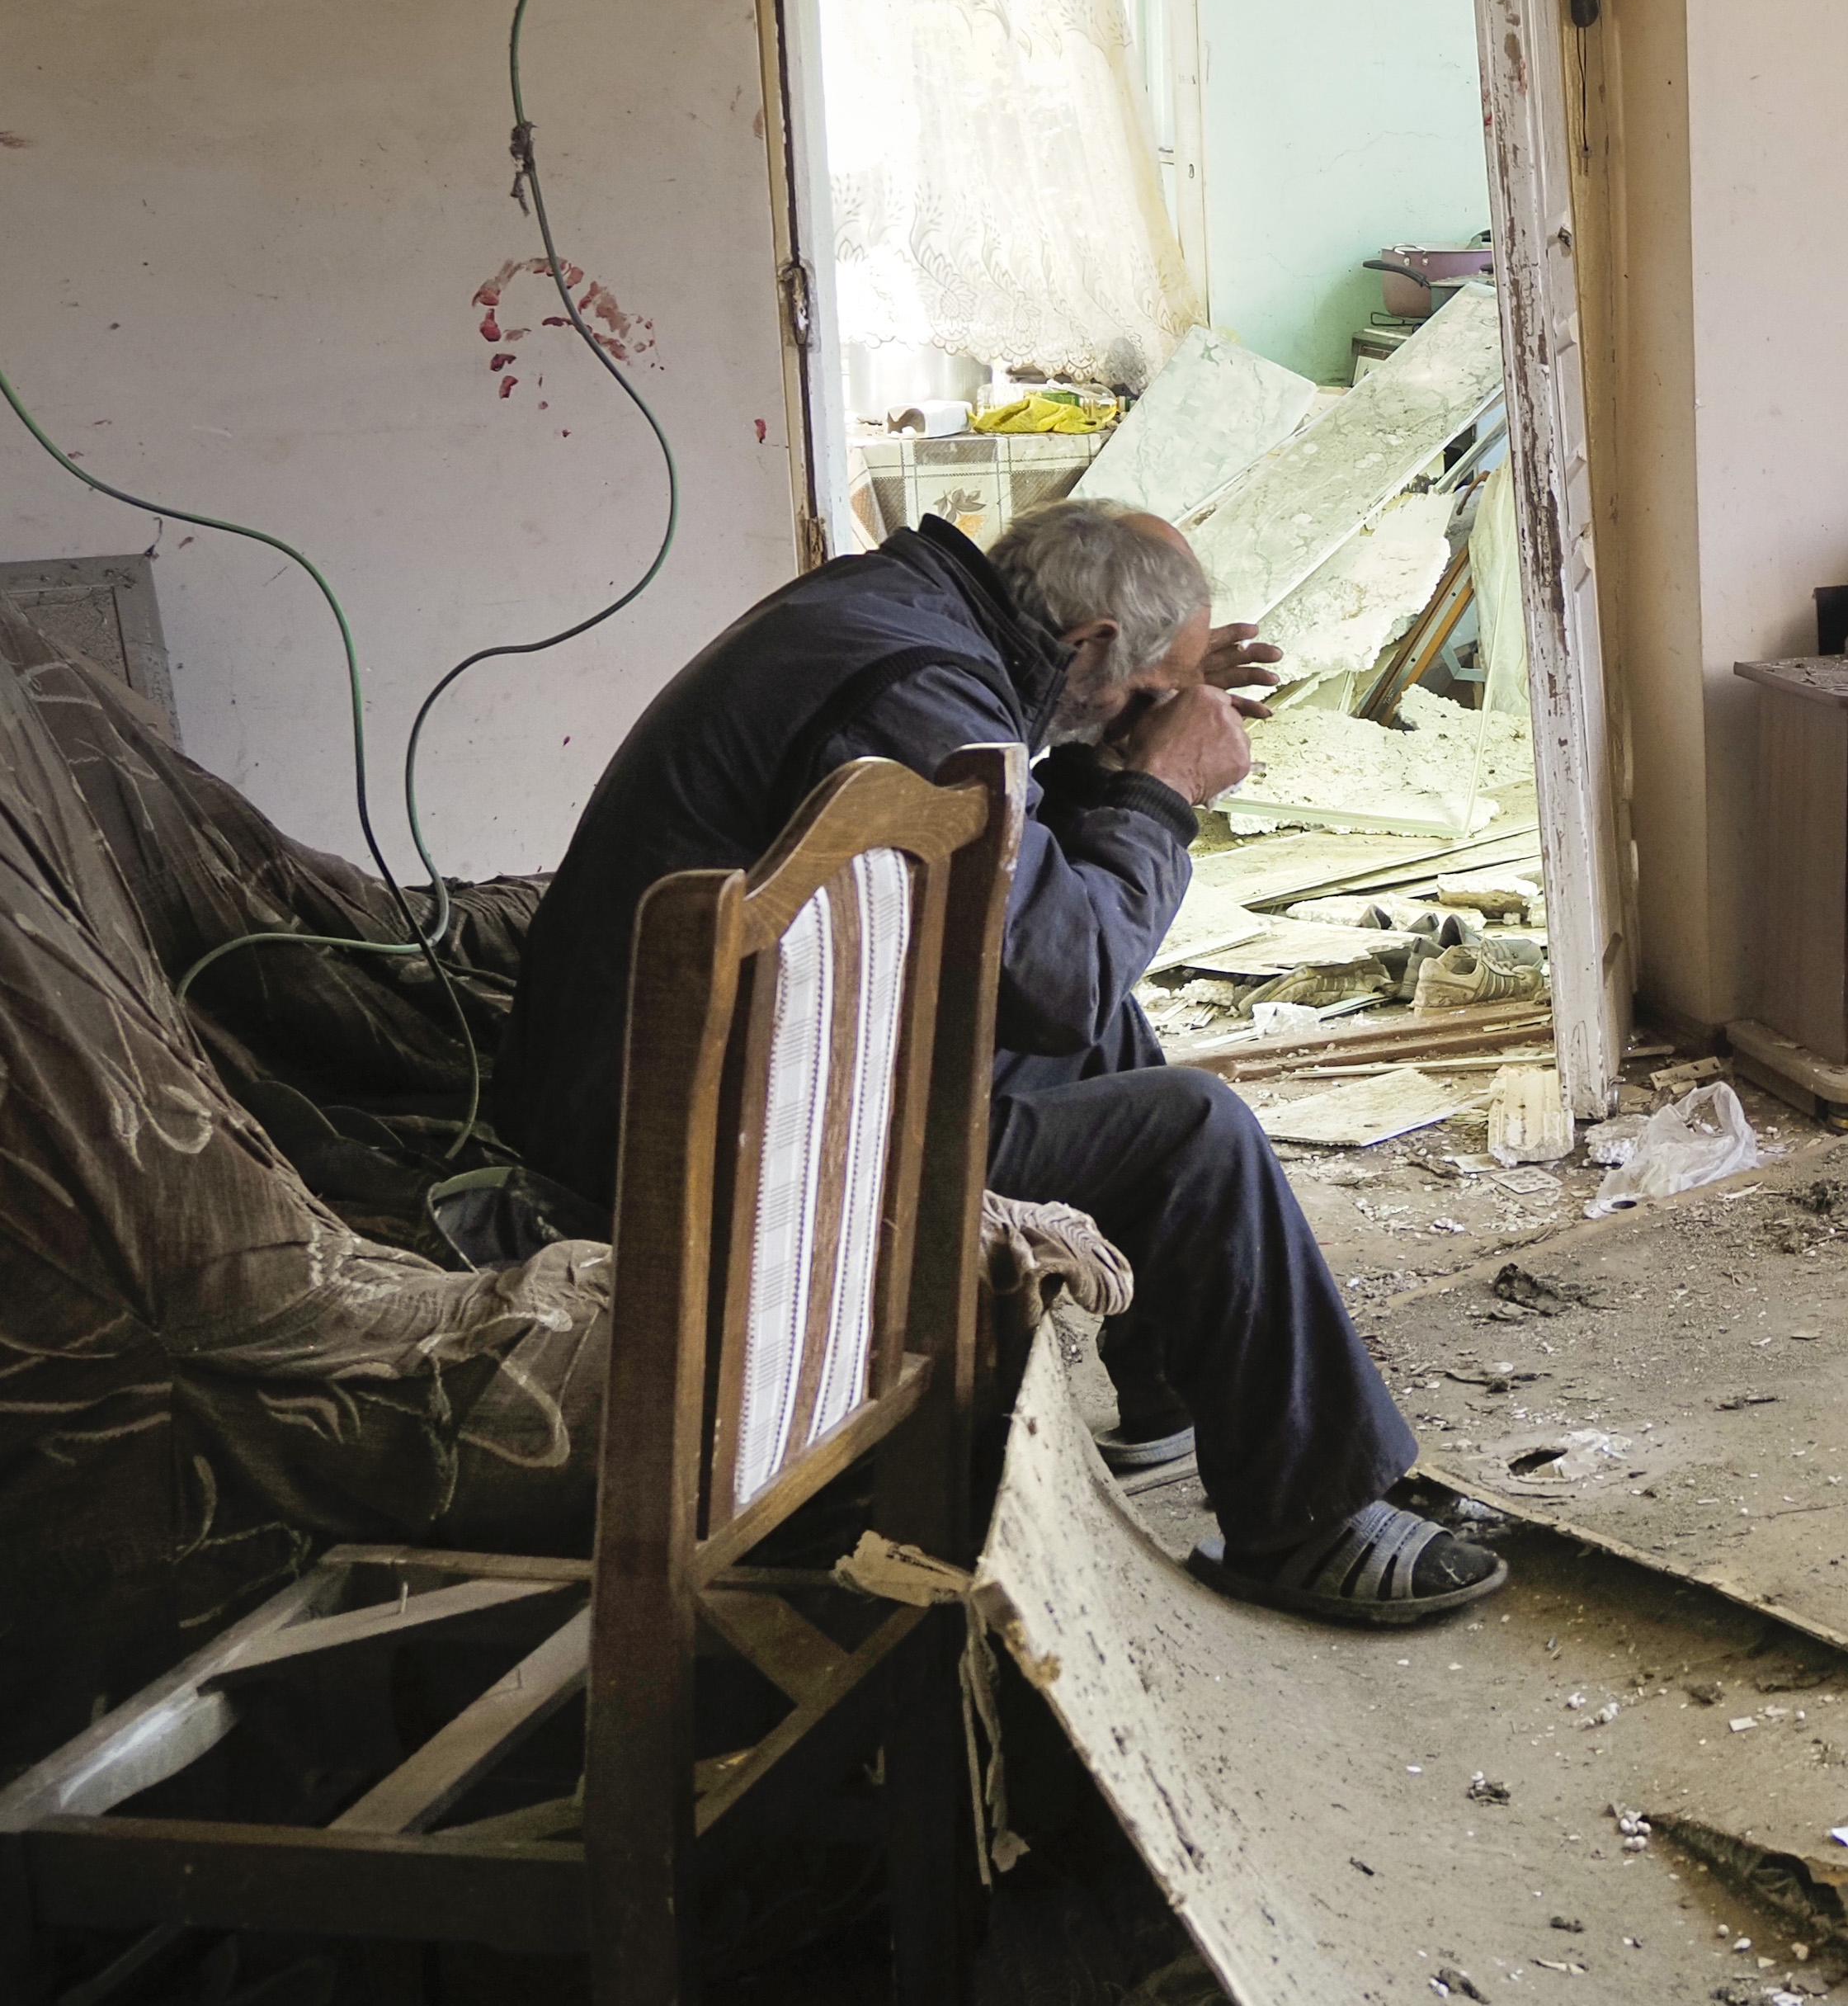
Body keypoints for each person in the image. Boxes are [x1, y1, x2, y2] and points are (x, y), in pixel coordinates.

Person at [507, 498, 1501, 1626]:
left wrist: (1130, 701)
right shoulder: (917, 692)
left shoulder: (915, 618)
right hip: (685, 1129)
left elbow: (1030, 929)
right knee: (1194, 1127)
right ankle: (1309, 1519)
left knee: (1106, 1044)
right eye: (1141, 685)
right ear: (1083, 646)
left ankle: (1181, 1388)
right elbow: (1060, 968)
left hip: (700, 1065)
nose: (1148, 712)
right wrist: (1160, 793)